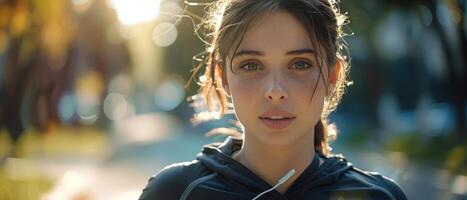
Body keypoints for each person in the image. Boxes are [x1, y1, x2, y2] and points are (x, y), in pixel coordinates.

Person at [139, 0, 407, 199]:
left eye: (300, 64)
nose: (275, 90)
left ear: (332, 75)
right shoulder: (174, 193)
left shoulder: (379, 196)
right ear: (223, 77)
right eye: (252, 65)